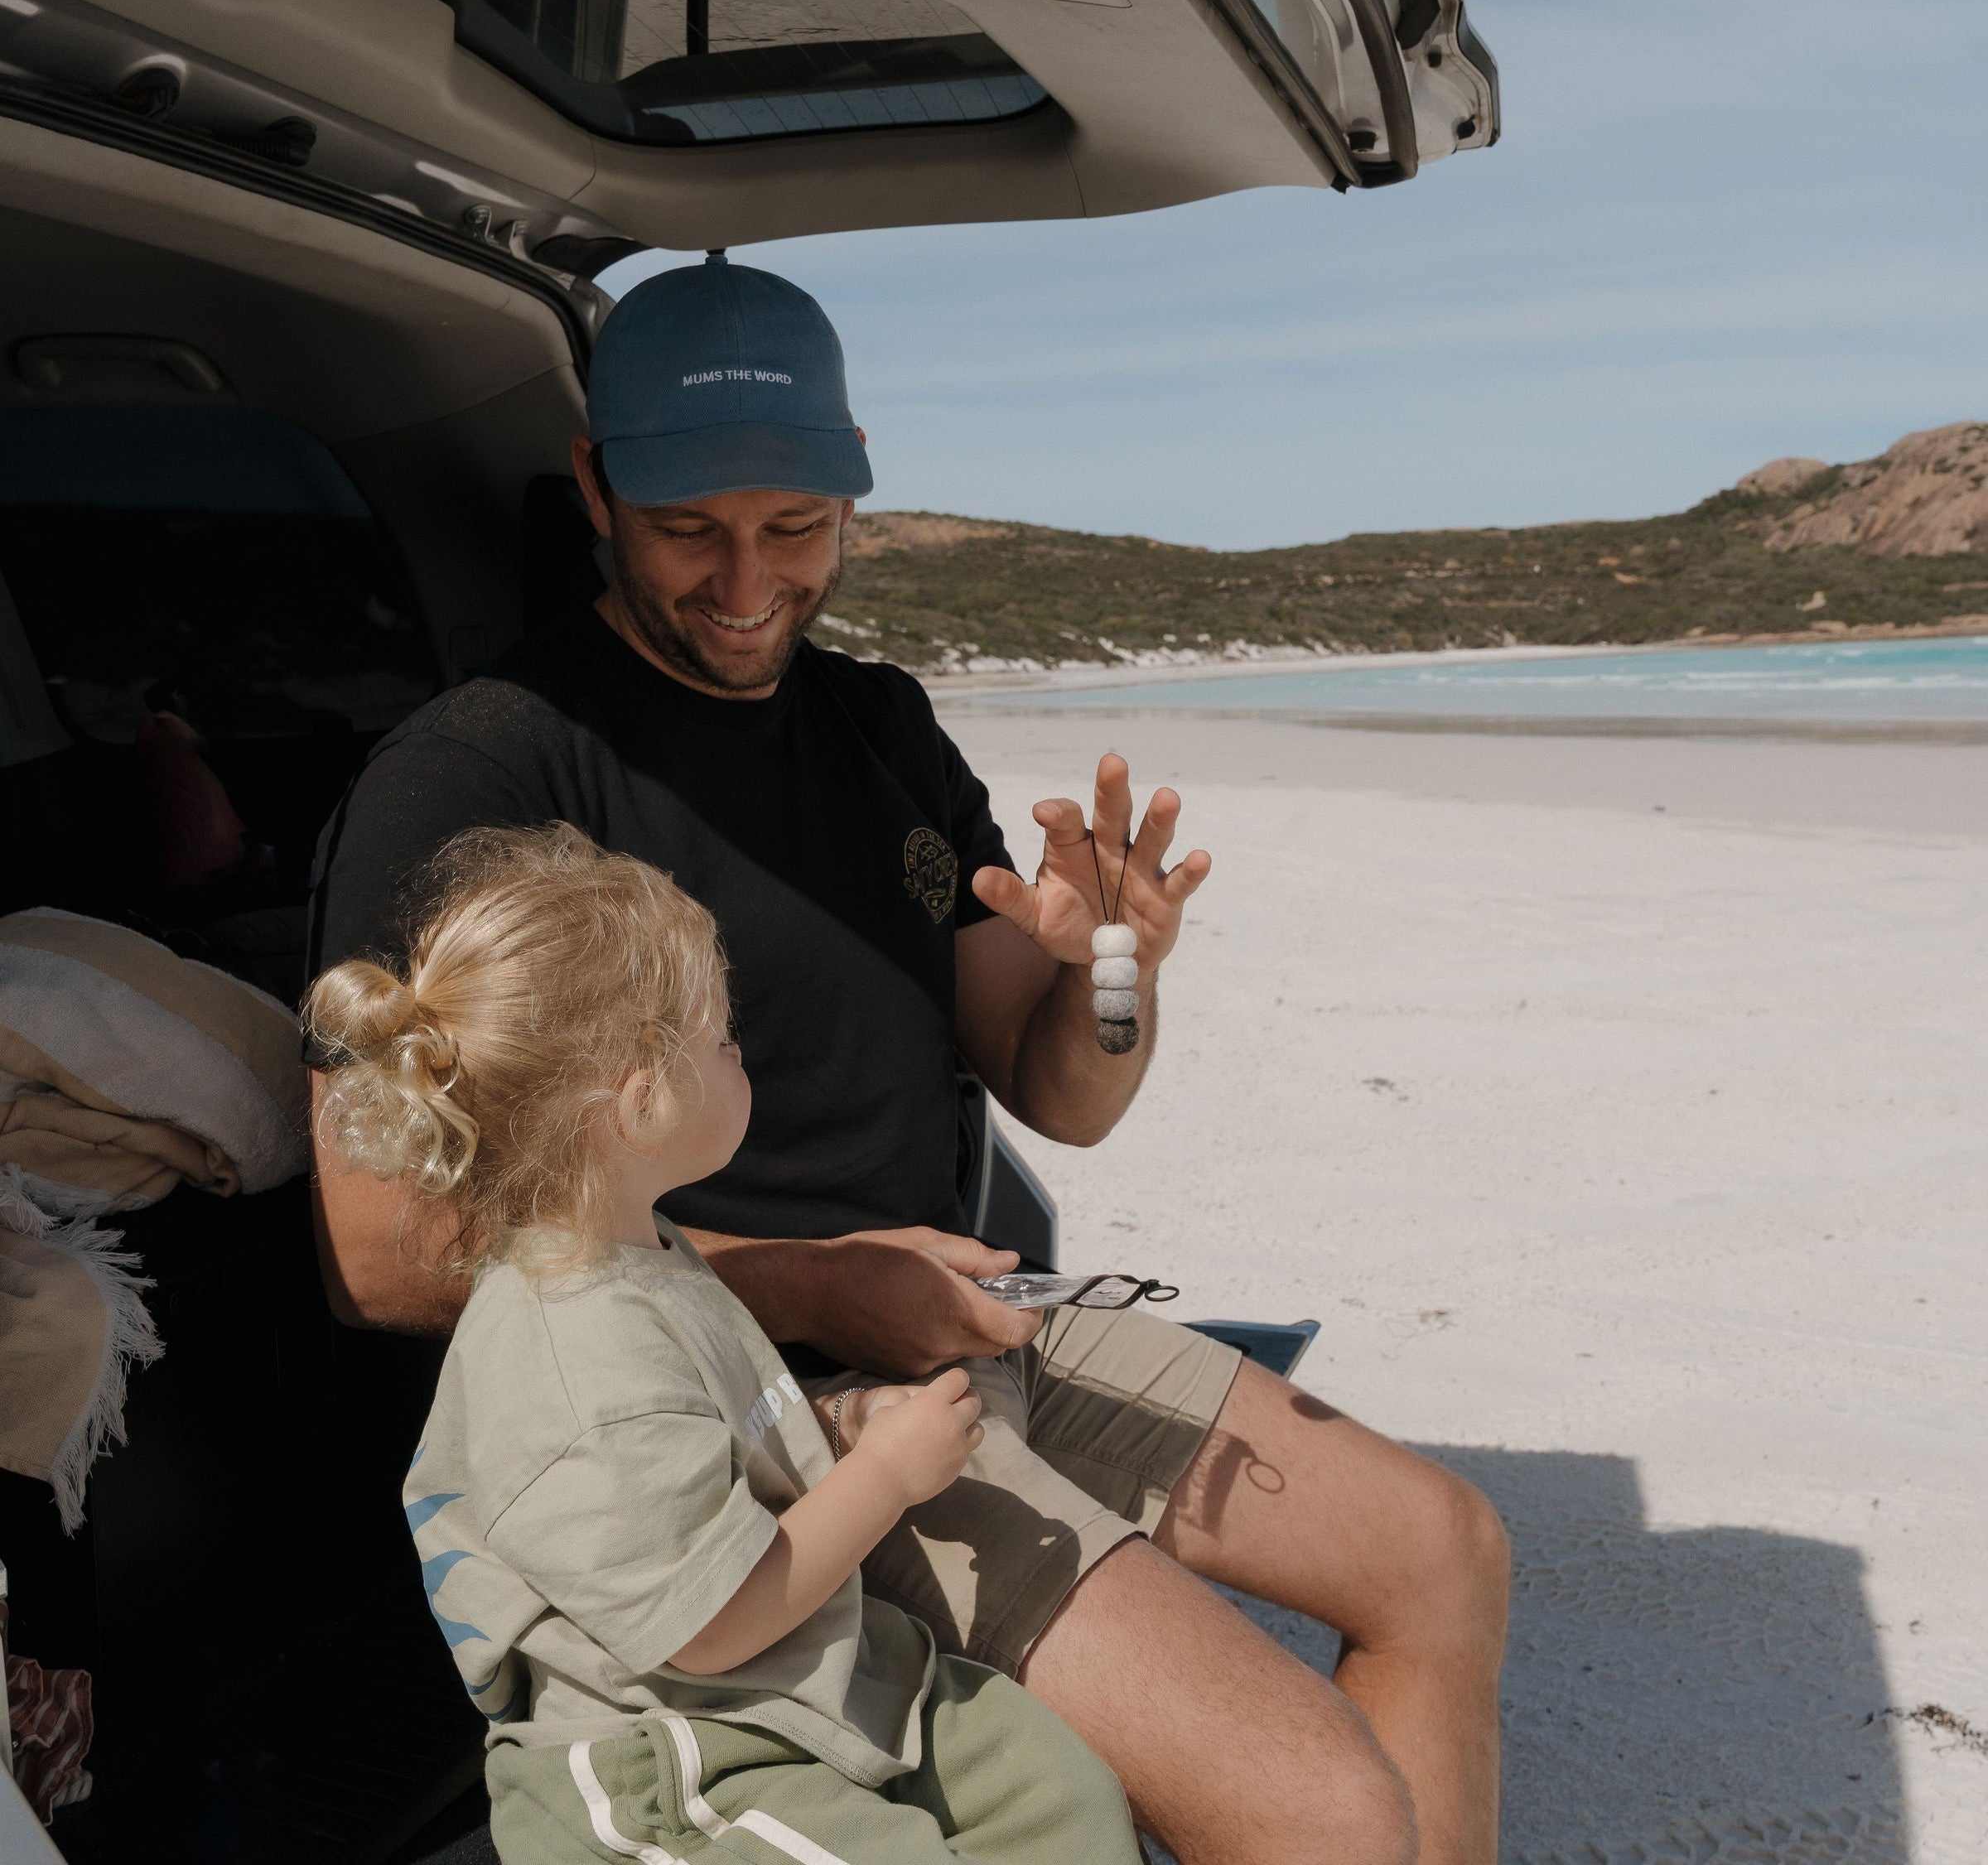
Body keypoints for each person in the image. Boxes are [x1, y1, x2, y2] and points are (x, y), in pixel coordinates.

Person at [308, 257, 1508, 1865]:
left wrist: (1117, 977)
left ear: (856, 491)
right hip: (767, 1402)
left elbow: (1058, 1088)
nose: (746, 581)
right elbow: (376, 1254)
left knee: (1447, 1550)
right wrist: (817, 1284)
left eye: (794, 528)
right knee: (1325, 1809)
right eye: (690, 531)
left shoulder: (877, 726)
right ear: (596, 486)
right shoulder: (483, 772)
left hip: (972, 1310)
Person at [306, 825, 1141, 1864]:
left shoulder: (637, 1257)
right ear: (640, 1097)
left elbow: (724, 1446)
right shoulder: (575, 1363)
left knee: (1055, 1788)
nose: (741, 1055)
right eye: (722, 1042)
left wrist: (845, 1425)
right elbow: (707, 1629)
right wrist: (882, 1475)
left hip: (796, 1684)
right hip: (677, 1757)